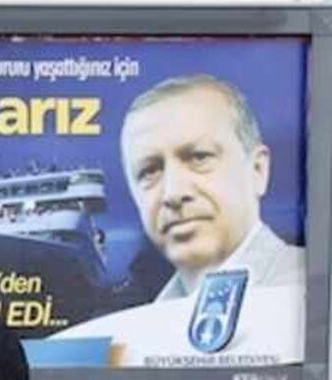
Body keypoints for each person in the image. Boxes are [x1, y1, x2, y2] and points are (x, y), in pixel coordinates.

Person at [119, 73, 303, 301]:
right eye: (149, 171)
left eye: (199, 157)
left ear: (258, 170)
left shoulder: (312, 288)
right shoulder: (136, 328)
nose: (173, 193)